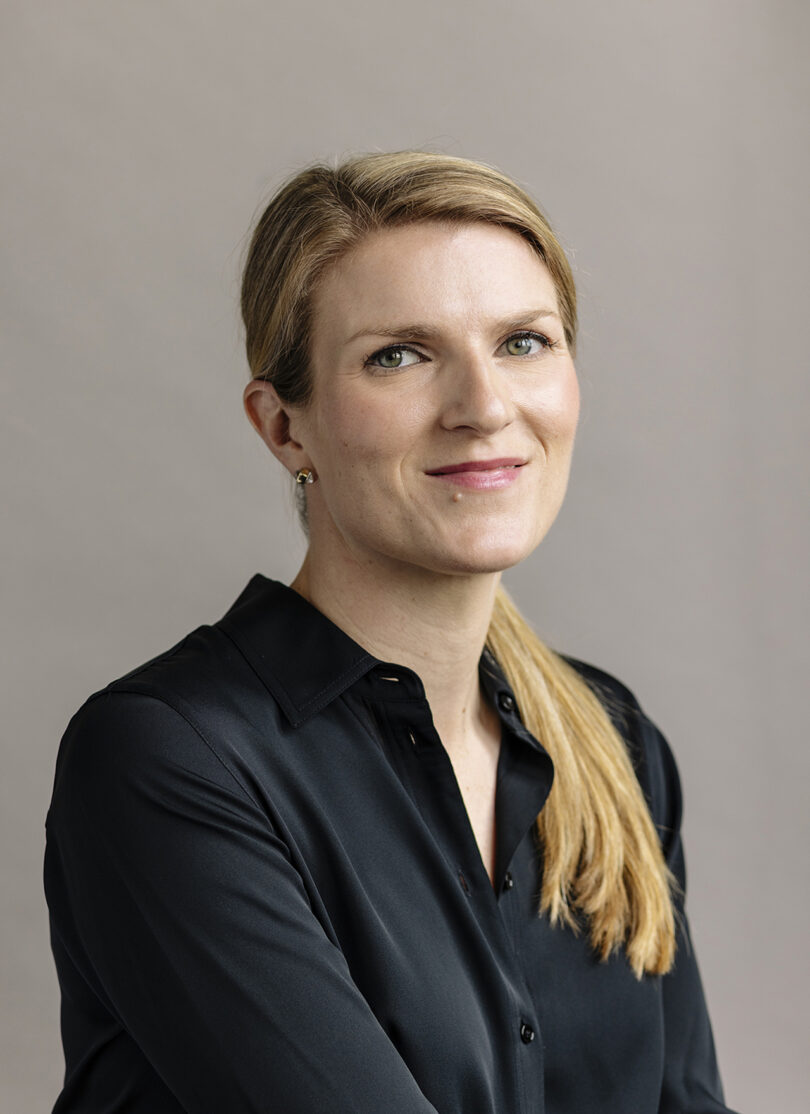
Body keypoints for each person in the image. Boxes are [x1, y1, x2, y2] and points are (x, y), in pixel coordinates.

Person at [44, 150, 739, 1114]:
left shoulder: (612, 743)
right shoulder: (171, 760)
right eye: (399, 356)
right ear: (285, 428)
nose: (486, 407)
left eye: (524, 342)